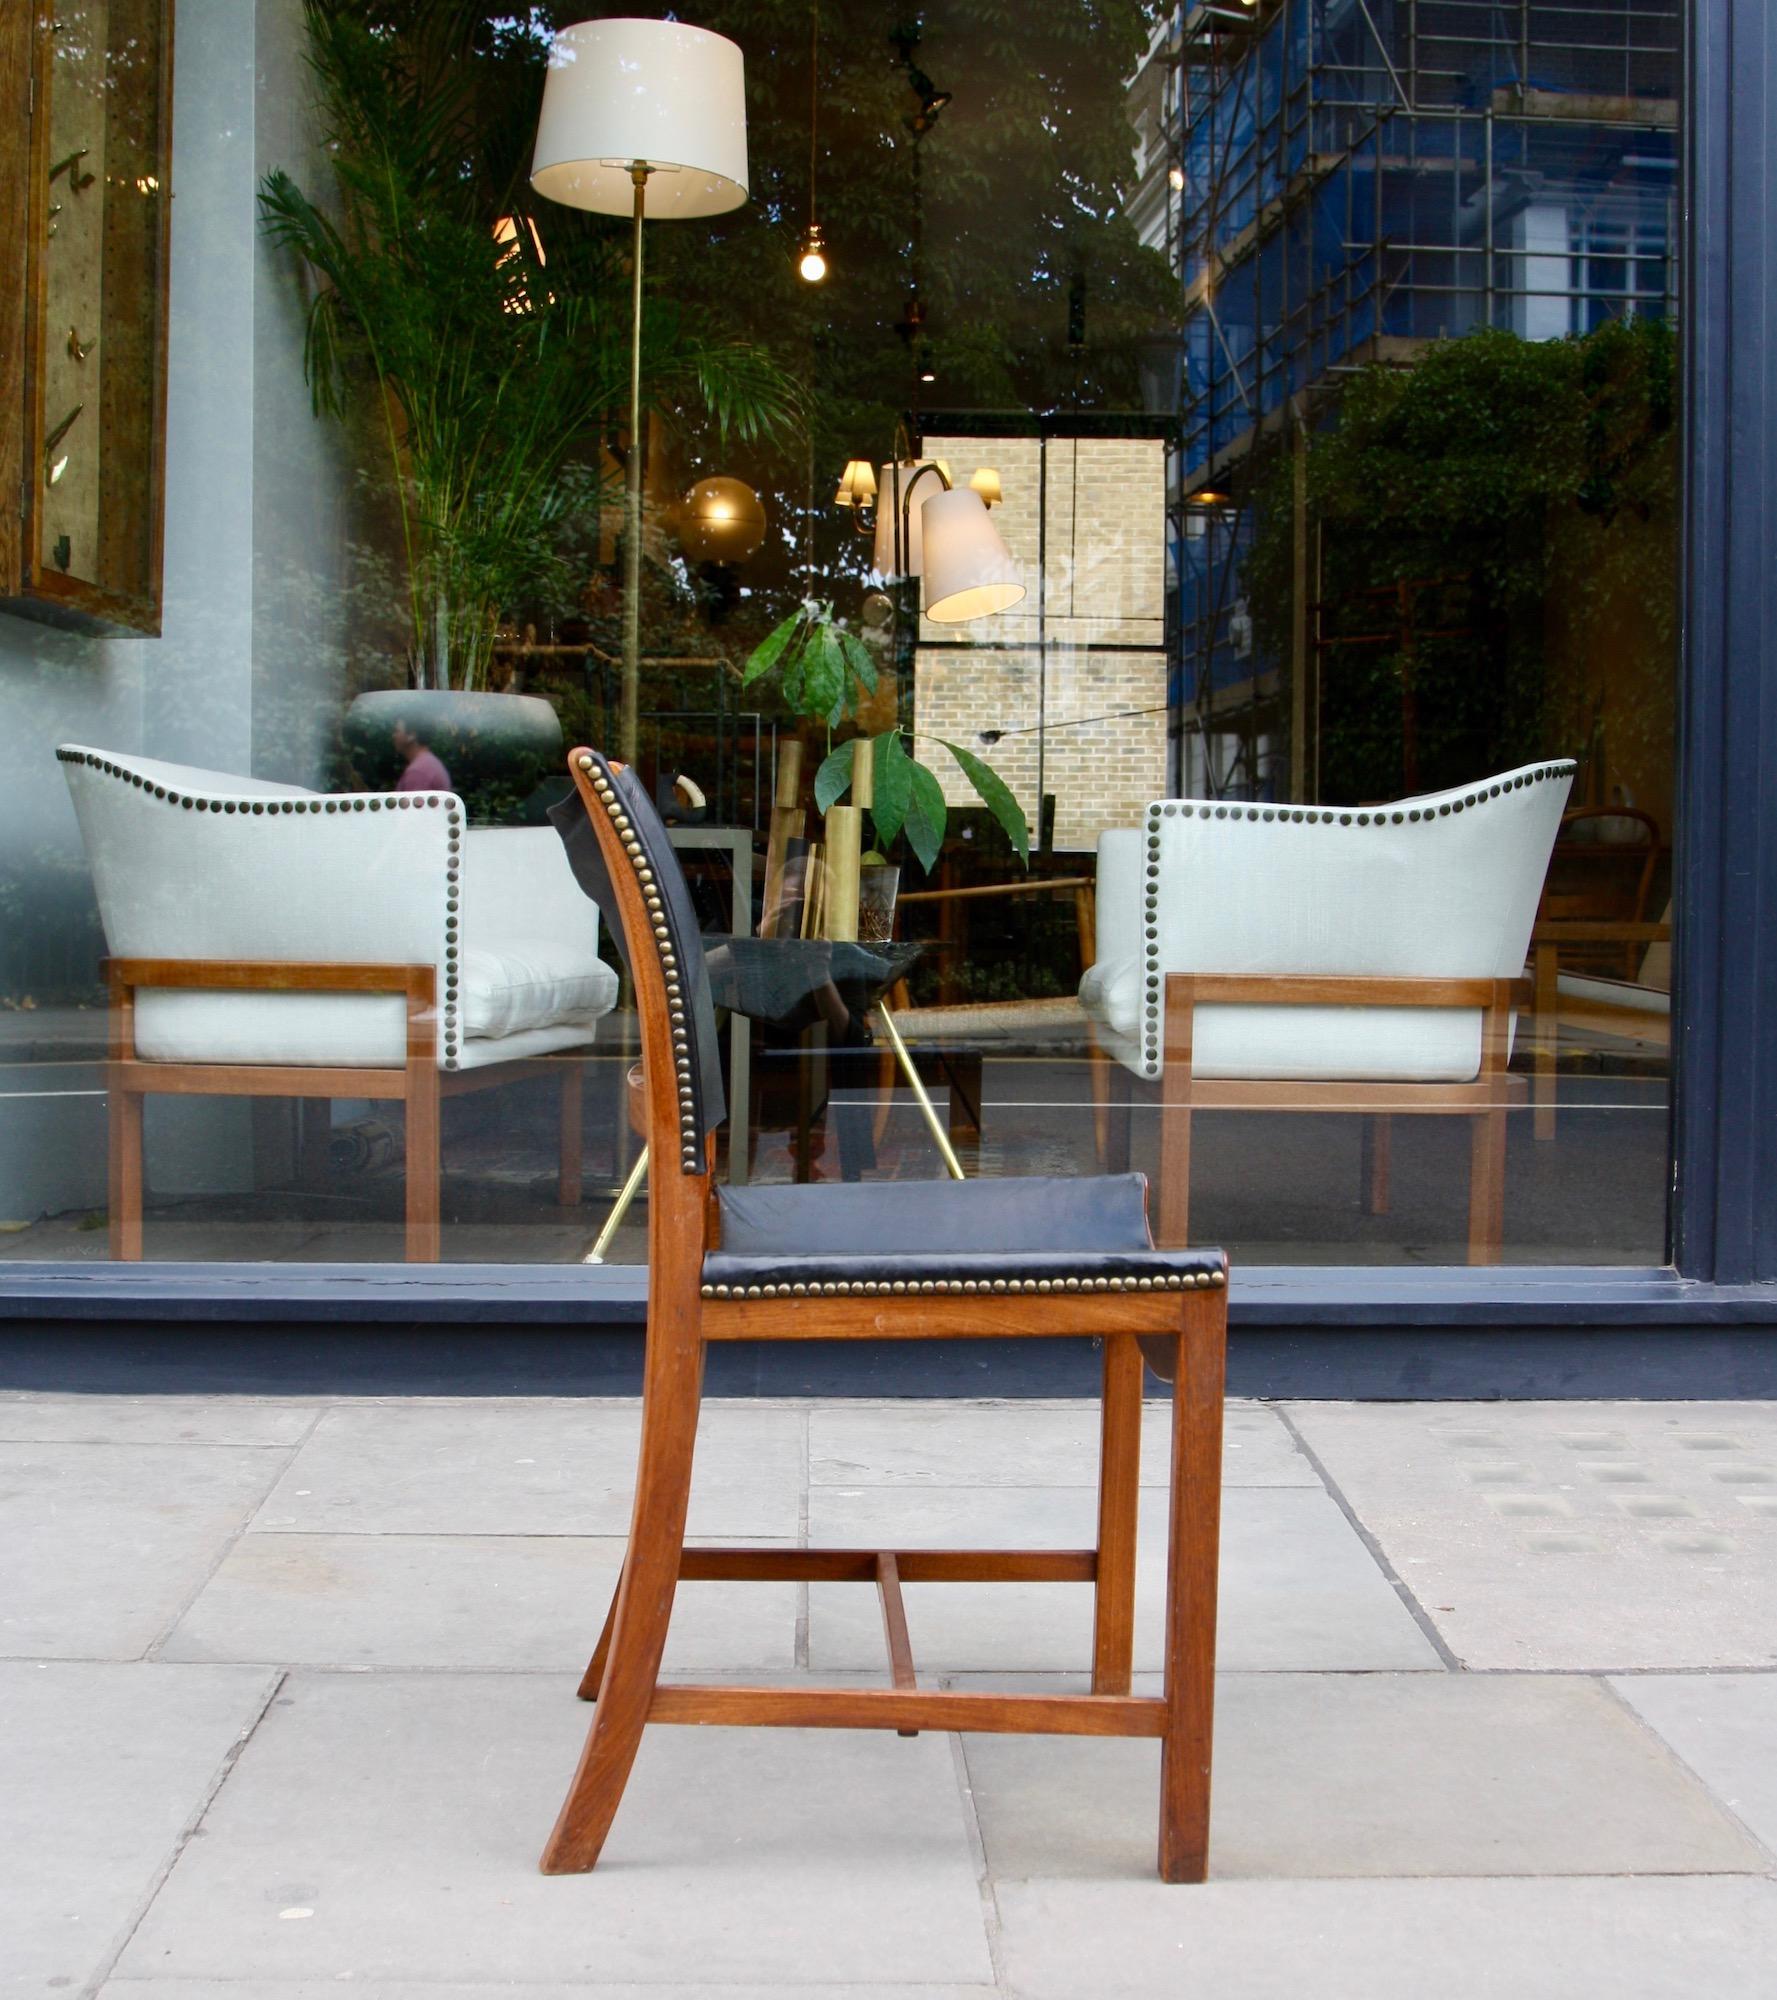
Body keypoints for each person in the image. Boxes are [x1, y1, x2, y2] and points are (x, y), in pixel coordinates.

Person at [392, 716, 451, 793]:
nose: (393, 736)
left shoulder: (418, 772)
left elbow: (414, 805)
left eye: (397, 731)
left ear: (411, 736)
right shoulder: (427, 763)